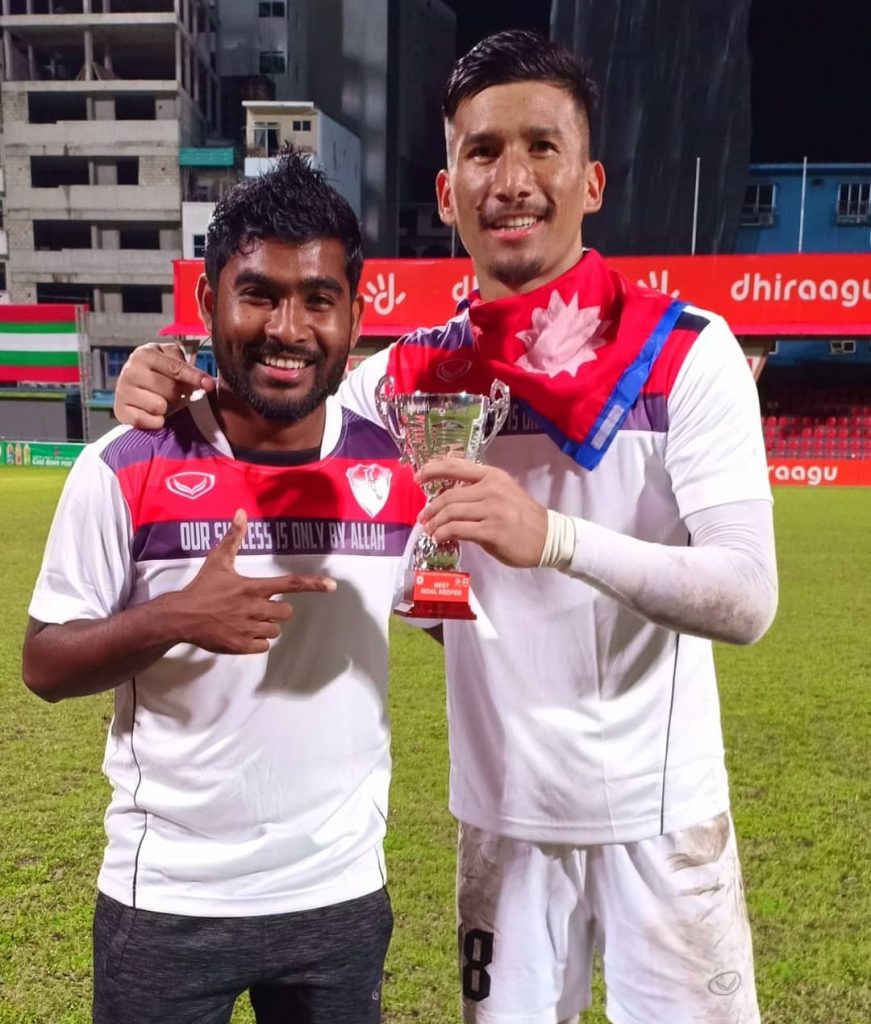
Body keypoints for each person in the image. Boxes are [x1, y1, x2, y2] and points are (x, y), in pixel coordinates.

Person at [113, 30, 777, 1024]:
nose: (512, 180)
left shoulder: (686, 353)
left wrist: (551, 538)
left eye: (542, 146)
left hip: (664, 814)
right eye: (483, 150)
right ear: (446, 188)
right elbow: (268, 417)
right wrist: (166, 372)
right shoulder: (401, 382)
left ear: (591, 181)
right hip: (500, 820)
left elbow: (747, 596)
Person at [23, 149, 425, 1024]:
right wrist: (173, 617)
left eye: (317, 298)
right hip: (169, 896)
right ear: (208, 303)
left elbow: (448, 614)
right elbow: (45, 664)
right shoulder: (126, 463)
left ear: (354, 317)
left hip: (337, 891)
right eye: (258, 294)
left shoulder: (399, 469)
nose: (289, 327)